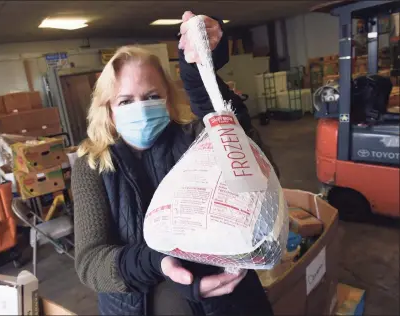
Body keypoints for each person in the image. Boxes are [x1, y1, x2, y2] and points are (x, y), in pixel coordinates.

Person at [73, 11, 276, 316]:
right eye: (126, 101)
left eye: (152, 96)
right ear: (108, 110)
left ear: (168, 98)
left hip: (226, 301)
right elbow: (91, 263)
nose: (140, 108)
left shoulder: (196, 139)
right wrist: (157, 261)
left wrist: (200, 74)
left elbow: (255, 168)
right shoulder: (92, 166)